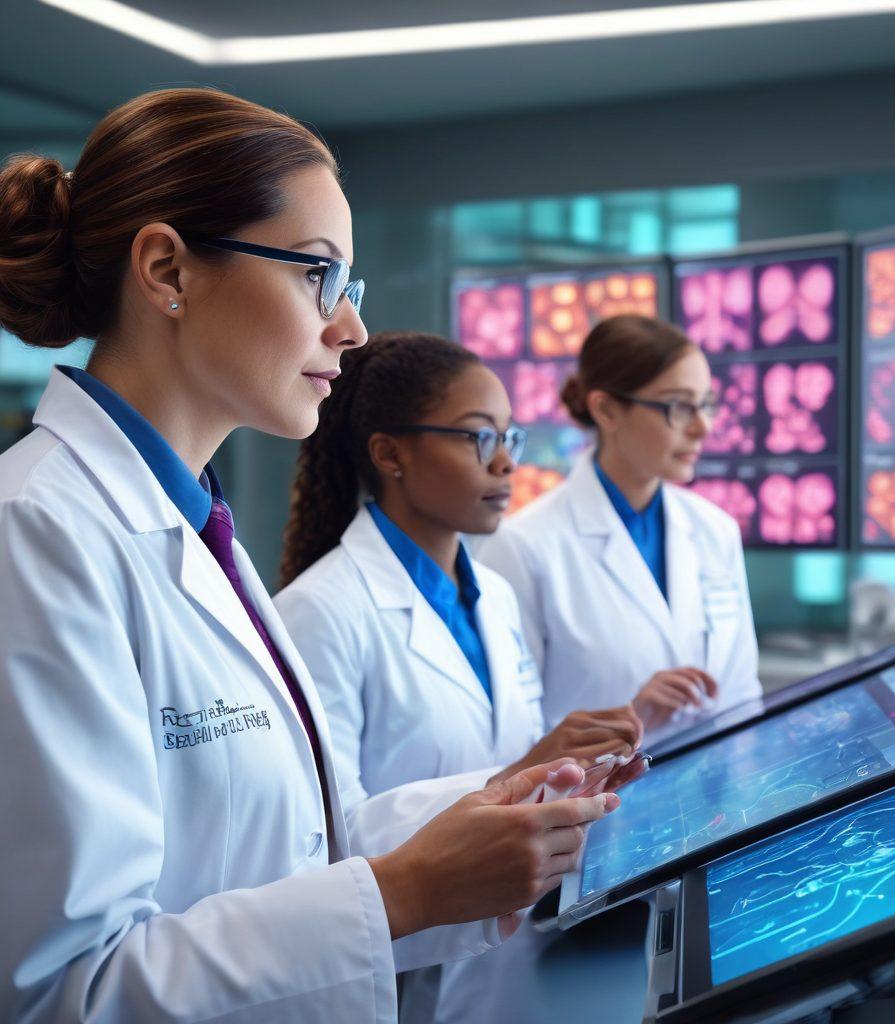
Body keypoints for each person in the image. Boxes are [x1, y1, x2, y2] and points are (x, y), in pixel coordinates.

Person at [0, 88, 618, 1023]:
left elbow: (297, 844)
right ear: (167, 270)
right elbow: (64, 993)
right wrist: (404, 893)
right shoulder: (37, 531)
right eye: (317, 274)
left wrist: (498, 807)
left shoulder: (197, 530)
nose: (352, 328)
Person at [274, 331, 645, 1022]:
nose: (506, 462)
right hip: (396, 978)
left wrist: (574, 781)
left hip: (509, 963)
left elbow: (508, 760)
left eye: (510, 437)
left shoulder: (493, 597)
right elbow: (323, 843)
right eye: (479, 438)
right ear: (390, 454)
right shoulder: (319, 612)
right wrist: (522, 771)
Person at [479, 314, 761, 740]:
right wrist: (626, 720)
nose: (702, 426)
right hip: (599, 786)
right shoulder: (523, 547)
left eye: (706, 404)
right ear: (607, 409)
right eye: (678, 407)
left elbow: (743, 696)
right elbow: (512, 736)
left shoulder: (715, 531)